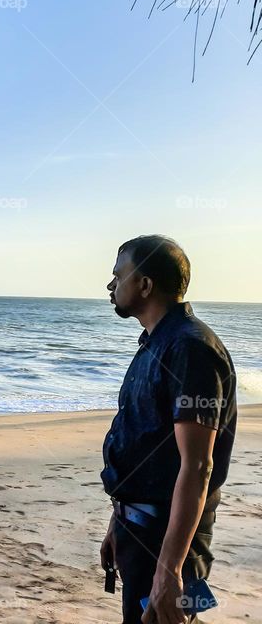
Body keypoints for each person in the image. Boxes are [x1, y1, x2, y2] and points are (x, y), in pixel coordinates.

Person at [100, 236, 237, 624]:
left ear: (145, 285)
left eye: (118, 276)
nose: (111, 285)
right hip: (139, 530)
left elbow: (198, 466)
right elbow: (147, 447)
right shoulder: (156, 343)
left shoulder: (190, 348)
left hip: (166, 539)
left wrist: (170, 568)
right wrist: (118, 520)